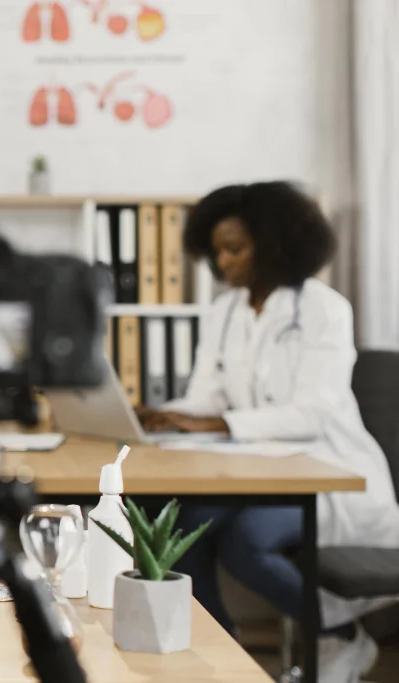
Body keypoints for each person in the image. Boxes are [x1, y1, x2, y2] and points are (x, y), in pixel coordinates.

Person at [136, 181, 399, 682]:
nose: (224, 264)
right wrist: (163, 414)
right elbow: (207, 396)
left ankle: (340, 636)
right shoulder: (225, 311)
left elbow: (311, 415)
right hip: (248, 466)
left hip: (327, 470)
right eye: (217, 253)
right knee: (179, 526)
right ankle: (219, 656)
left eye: (235, 249)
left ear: (275, 243)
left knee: (246, 541)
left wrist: (216, 422)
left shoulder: (324, 310)